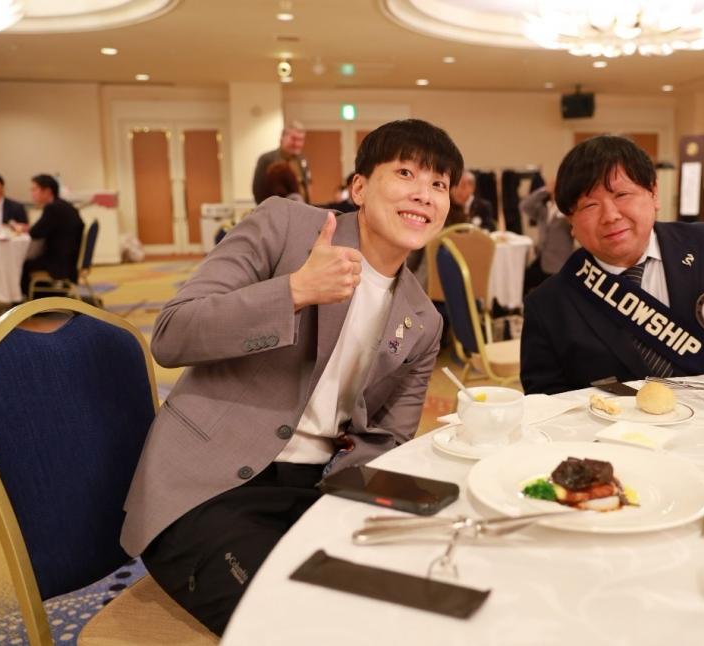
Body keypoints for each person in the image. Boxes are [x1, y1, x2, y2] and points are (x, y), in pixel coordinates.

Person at [121, 119, 464, 635]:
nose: (424, 194)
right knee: (304, 624)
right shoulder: (284, 226)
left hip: (318, 491)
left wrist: (349, 498)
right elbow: (172, 334)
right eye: (405, 173)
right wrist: (295, 291)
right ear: (359, 188)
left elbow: (389, 438)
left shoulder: (424, 320)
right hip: (210, 487)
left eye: (439, 183)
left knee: (429, 584)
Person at [521, 136, 704, 394]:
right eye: (590, 205)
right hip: (617, 432)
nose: (610, 216)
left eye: (621, 195)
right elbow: (544, 402)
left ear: (654, 193)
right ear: (571, 222)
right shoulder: (548, 305)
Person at [19, 174, 84, 297]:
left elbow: (35, 232)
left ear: (47, 191)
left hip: (59, 263)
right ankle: (44, 296)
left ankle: (34, 300)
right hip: (69, 259)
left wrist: (24, 229)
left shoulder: (52, 208)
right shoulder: (63, 205)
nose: (32, 194)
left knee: (22, 263)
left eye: (34, 189)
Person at [521, 180, 574, 293]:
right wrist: (544, 190)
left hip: (558, 263)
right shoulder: (544, 210)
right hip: (542, 259)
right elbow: (524, 205)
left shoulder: (568, 213)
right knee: (523, 279)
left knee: (551, 292)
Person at [252, 122, 311, 204]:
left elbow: (306, 186)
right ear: (282, 138)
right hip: (275, 209)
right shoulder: (266, 159)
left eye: (300, 140)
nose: (297, 144)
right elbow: (258, 190)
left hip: (301, 208)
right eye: (293, 139)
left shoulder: (302, 160)